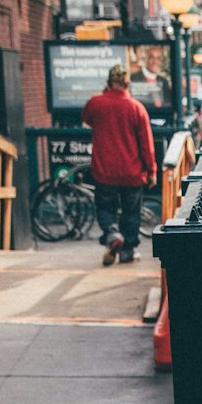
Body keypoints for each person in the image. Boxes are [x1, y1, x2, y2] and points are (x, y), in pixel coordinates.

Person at [81, 64, 157, 265]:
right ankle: (127, 251)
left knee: (105, 208)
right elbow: (146, 144)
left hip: (104, 171)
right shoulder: (136, 108)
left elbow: (87, 119)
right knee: (131, 212)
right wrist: (151, 170)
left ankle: (112, 233)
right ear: (127, 83)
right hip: (132, 172)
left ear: (108, 82)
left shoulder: (96, 104)